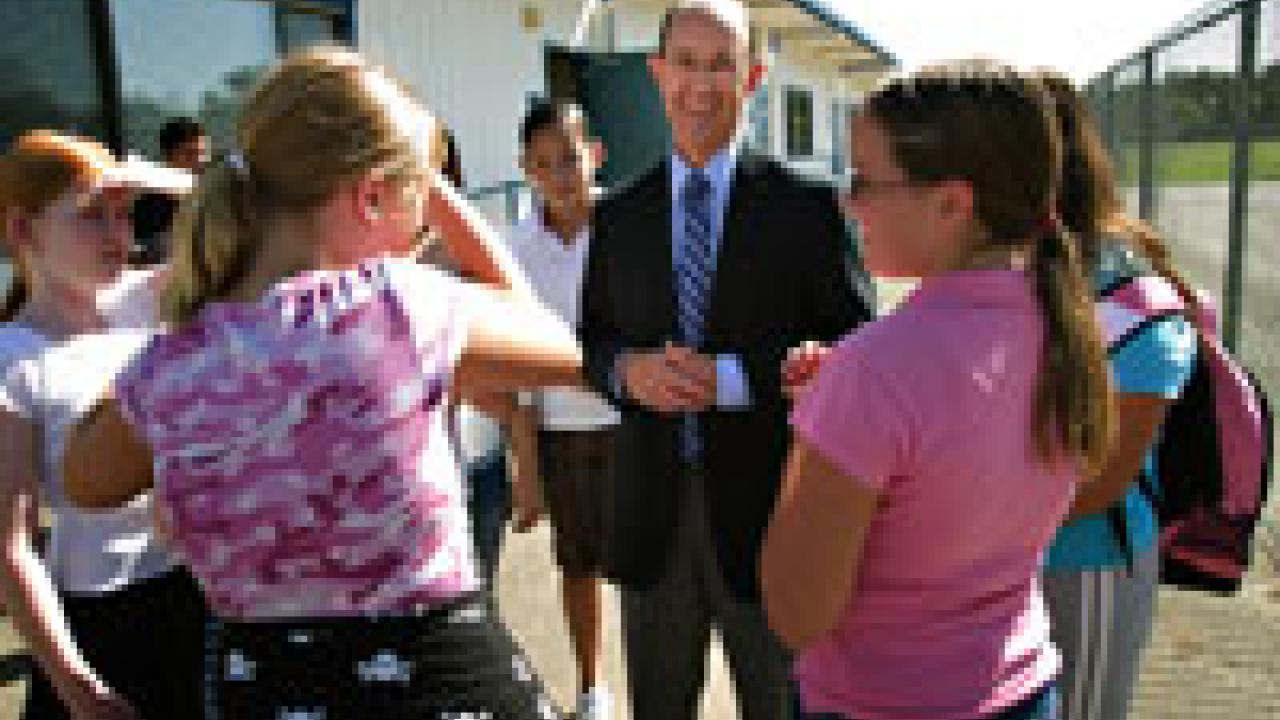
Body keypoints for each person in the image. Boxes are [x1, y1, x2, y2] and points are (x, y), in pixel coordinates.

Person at [60, 48, 580, 720]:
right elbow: (555, 342)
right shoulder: (397, 305)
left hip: (265, 694)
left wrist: (179, 329)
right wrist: (434, 180)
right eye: (419, 201)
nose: (423, 228)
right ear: (369, 197)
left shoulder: (171, 366)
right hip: (437, 688)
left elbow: (86, 479)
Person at [761, 60, 1114, 720]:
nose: (848, 200)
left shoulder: (872, 371)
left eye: (866, 181)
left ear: (953, 202)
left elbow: (796, 610)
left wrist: (813, 438)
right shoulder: (1066, 330)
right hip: (1025, 688)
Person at [579, 2, 873, 718]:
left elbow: (860, 345)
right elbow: (594, 340)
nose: (701, 85)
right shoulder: (617, 216)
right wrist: (627, 373)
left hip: (774, 521)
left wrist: (738, 378)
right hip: (653, 524)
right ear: (657, 72)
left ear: (754, 77)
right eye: (686, 63)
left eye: (722, 65)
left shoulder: (806, 209)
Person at [0, 129, 206, 720]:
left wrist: (171, 183)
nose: (120, 236)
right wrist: (75, 683)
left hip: (196, 596)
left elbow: (251, 229)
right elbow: (12, 546)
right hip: (99, 625)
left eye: (125, 214)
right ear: (22, 230)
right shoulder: (15, 358)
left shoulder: (144, 301)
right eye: (93, 216)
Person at [1036, 69, 1198, 720]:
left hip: (1089, 561)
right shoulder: (1000, 264)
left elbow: (1102, 479)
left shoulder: (1127, 288)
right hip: (1004, 560)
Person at [508, 98, 617, 720]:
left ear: (594, 156)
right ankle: (592, 685)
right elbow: (520, 369)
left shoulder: (627, 229)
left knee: (648, 564)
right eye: (544, 163)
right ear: (526, 168)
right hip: (562, 435)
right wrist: (526, 465)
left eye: (570, 159)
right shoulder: (518, 247)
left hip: (631, 425)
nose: (560, 175)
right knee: (578, 566)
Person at [131, 116, 209, 265]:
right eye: (190, 154)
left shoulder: (214, 198)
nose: (200, 161)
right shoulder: (149, 208)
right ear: (167, 158)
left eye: (203, 153)